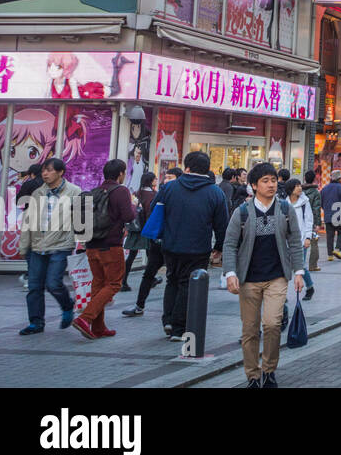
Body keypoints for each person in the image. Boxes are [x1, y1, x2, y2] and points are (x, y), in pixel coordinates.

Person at [220, 163, 305, 386]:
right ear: (254, 185)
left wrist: (299, 272)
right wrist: (230, 273)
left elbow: (295, 243)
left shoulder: (286, 210)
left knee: (271, 324)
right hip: (249, 279)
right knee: (249, 330)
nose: (271, 185)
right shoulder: (242, 212)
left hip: (277, 276)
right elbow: (229, 244)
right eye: (265, 181)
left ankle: (269, 369)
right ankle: (253, 375)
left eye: (273, 180)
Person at [150, 150, 229, 341]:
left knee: (172, 280)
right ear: (208, 169)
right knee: (189, 284)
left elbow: (154, 209)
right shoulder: (215, 192)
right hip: (198, 247)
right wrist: (219, 245)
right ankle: (178, 327)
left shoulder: (169, 188)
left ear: (187, 166)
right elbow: (222, 223)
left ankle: (168, 320)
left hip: (170, 244)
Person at [71, 158, 137, 340]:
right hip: (110, 245)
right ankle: (85, 318)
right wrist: (134, 206)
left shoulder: (96, 191)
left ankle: (99, 327)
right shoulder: (121, 191)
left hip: (92, 245)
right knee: (114, 283)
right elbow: (128, 216)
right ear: (121, 174)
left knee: (99, 284)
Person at [18, 158, 81, 335]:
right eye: (43, 170)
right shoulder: (38, 193)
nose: (45, 173)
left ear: (60, 172)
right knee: (34, 286)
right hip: (37, 246)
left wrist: (83, 241)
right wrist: (24, 246)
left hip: (61, 245)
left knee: (53, 283)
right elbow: (28, 221)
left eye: (49, 170)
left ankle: (67, 305)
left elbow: (84, 220)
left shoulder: (75, 192)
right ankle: (36, 323)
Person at [122, 171, 159, 291]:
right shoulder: (154, 194)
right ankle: (150, 278)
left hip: (135, 228)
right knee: (150, 255)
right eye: (155, 178)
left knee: (132, 256)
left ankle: (123, 281)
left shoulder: (136, 193)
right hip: (147, 228)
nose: (156, 180)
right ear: (151, 181)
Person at [285, 178, 316, 302]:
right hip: (286, 240)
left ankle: (310, 287)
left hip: (301, 239)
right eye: (296, 186)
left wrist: (308, 237)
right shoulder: (284, 203)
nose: (299, 188)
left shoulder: (304, 202)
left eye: (299, 185)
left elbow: (309, 220)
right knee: (285, 266)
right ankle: (281, 293)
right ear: (290, 189)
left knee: (300, 265)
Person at [320, 170, 341, 259]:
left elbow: (321, 202)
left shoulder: (324, 188)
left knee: (330, 235)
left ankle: (330, 255)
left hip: (328, 215)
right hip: (339, 214)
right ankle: (337, 250)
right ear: (339, 179)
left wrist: (326, 210)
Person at [301, 170, 323, 272]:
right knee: (314, 242)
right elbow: (316, 208)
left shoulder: (299, 190)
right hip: (311, 221)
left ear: (305, 178)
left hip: (299, 219)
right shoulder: (315, 193)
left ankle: (298, 264)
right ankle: (313, 265)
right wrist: (318, 223)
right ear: (314, 179)